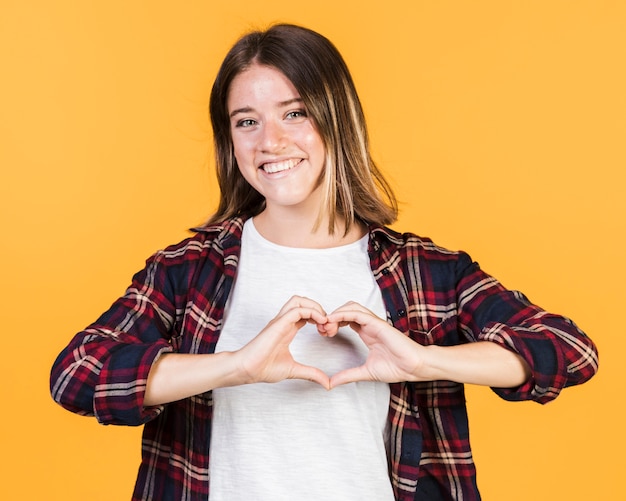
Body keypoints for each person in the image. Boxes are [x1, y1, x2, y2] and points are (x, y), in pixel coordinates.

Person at [50, 23, 599, 501]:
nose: (271, 141)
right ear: (230, 141)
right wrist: (236, 367)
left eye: (295, 113)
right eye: (246, 121)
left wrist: (424, 362)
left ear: (337, 120)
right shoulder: (188, 269)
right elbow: (78, 374)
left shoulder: (423, 270)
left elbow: (567, 350)